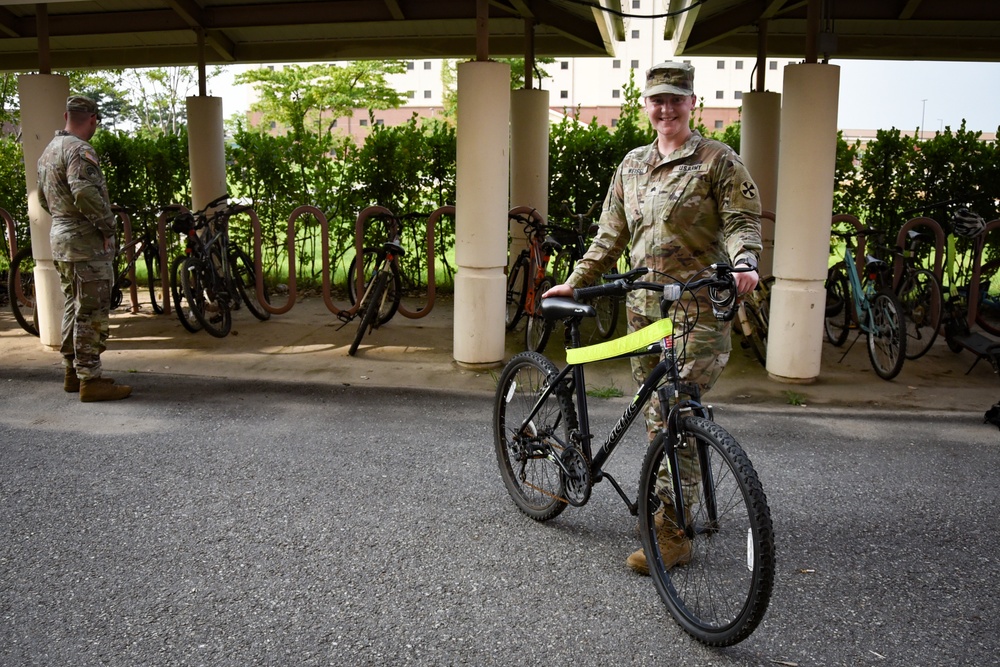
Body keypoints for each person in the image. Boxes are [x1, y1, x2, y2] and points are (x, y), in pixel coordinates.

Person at [543, 62, 762, 574]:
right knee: (657, 414)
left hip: (698, 311)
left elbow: (741, 222)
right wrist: (576, 279)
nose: (666, 109)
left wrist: (746, 262)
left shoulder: (717, 161)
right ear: (646, 106)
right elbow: (610, 234)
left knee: (676, 412)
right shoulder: (633, 165)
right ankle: (670, 499)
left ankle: (672, 532)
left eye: (675, 99)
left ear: (692, 103)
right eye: (656, 100)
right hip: (643, 309)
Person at [37, 95, 132, 402]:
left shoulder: (49, 152)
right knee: (91, 311)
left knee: (71, 305)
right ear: (92, 119)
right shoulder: (81, 150)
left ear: (66, 115)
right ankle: (90, 380)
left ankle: (71, 373)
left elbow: (42, 198)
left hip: (62, 240)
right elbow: (85, 192)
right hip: (86, 245)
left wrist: (66, 222)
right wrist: (107, 226)